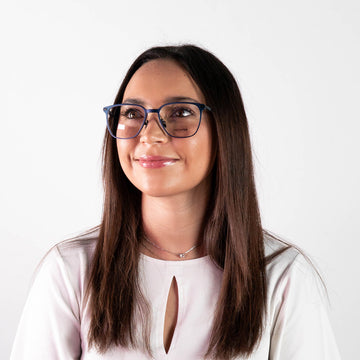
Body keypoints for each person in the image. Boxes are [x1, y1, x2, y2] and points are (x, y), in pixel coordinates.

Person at [11, 45, 341, 360]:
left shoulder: (283, 278)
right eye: (132, 113)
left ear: (225, 130)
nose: (149, 134)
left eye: (180, 112)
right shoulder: (71, 272)